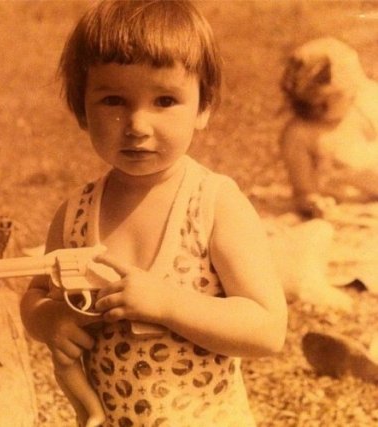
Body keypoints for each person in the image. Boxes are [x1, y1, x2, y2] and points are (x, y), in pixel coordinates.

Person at [20, 1, 287, 426]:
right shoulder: (74, 215)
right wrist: (48, 319)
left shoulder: (213, 204)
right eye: (113, 100)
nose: (137, 125)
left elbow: (267, 329)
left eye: (165, 100)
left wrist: (167, 303)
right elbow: (37, 293)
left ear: (203, 107)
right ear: (82, 109)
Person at [280, 37, 378, 218]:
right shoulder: (299, 134)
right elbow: (303, 191)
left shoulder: (363, 109)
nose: (317, 109)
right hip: (346, 209)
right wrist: (313, 201)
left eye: (329, 101)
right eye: (312, 104)